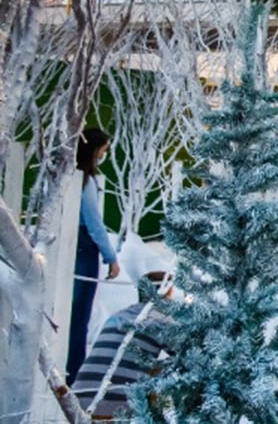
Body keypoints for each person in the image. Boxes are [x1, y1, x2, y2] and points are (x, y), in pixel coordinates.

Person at [71, 271, 173, 419]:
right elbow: (190, 359)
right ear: (168, 294)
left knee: (148, 366)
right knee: (161, 371)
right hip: (117, 404)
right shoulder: (162, 320)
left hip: (79, 399)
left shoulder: (117, 316)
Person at [67, 127, 120, 382]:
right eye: (103, 149)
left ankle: (67, 367)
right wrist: (110, 256)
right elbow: (94, 223)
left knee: (69, 313)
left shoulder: (65, 176)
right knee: (79, 315)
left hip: (68, 246)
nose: (104, 154)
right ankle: (74, 373)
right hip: (83, 250)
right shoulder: (85, 181)